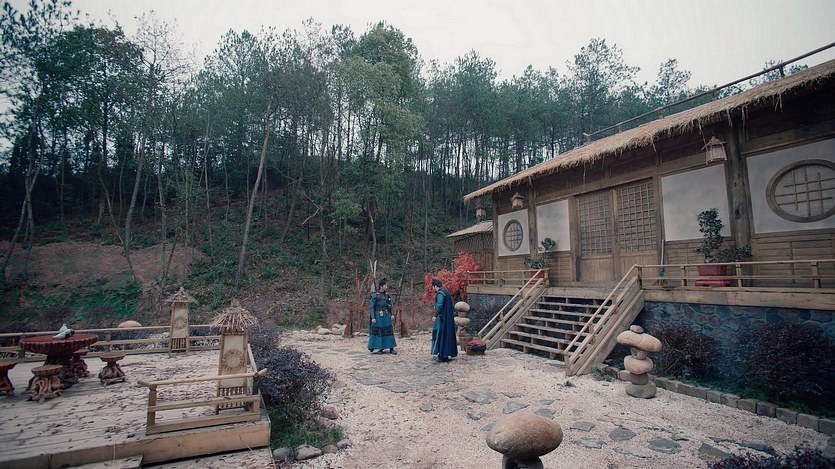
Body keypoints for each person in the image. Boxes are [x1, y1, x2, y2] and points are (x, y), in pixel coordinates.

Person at [430, 278, 458, 362]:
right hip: (448, 318)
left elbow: (439, 305)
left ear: (435, 286)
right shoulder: (446, 293)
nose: (433, 289)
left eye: (433, 287)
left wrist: (435, 315)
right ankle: (446, 353)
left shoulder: (440, 294)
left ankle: (442, 355)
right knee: (446, 335)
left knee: (440, 335)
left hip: (442, 318)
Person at [368, 278, 397, 354]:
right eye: (385, 285)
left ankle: (391, 348)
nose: (386, 286)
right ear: (381, 286)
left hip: (386, 315)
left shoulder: (387, 295)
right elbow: (372, 307)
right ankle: (380, 348)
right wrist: (373, 317)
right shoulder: (375, 295)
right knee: (379, 331)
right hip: (378, 315)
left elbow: (390, 306)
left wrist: (392, 314)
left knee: (388, 330)